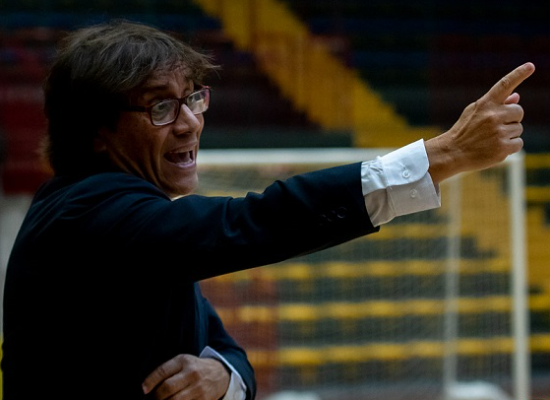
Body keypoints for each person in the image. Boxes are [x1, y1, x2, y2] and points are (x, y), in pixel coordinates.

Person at [1, 19, 534, 400]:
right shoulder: (88, 216)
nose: (189, 122)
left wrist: (222, 377)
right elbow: (255, 221)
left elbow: (226, 350)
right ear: (97, 130)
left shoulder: (139, 225)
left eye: (192, 97)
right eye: (160, 106)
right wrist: (442, 156)